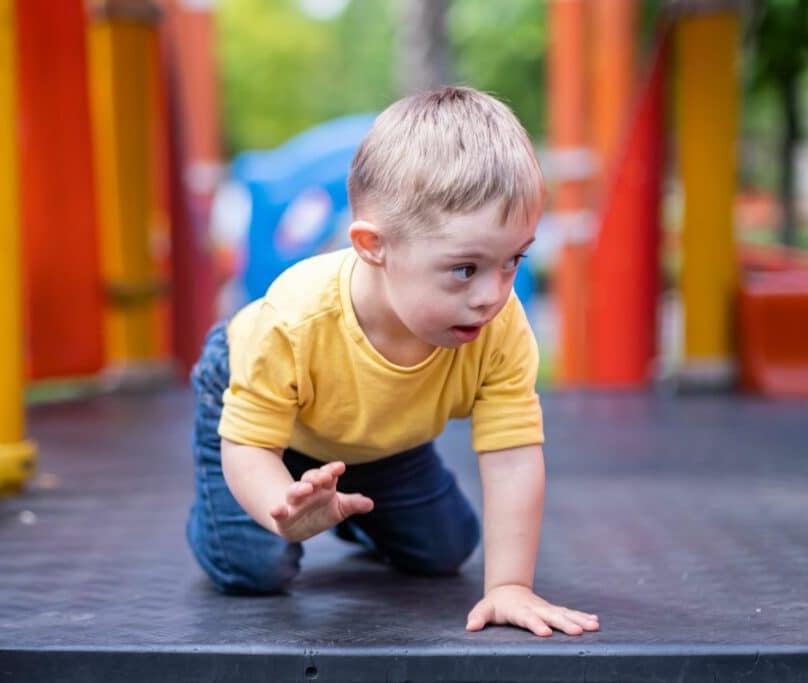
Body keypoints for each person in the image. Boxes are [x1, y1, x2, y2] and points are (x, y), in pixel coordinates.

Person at [186, 86, 599, 637]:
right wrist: (284, 508)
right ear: (373, 246)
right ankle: (227, 510)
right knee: (256, 568)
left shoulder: (499, 327)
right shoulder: (295, 320)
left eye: (513, 261)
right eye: (465, 269)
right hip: (255, 415)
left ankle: (344, 505)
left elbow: (513, 456)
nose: (492, 295)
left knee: (445, 550)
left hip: (375, 430)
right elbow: (250, 445)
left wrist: (509, 587)